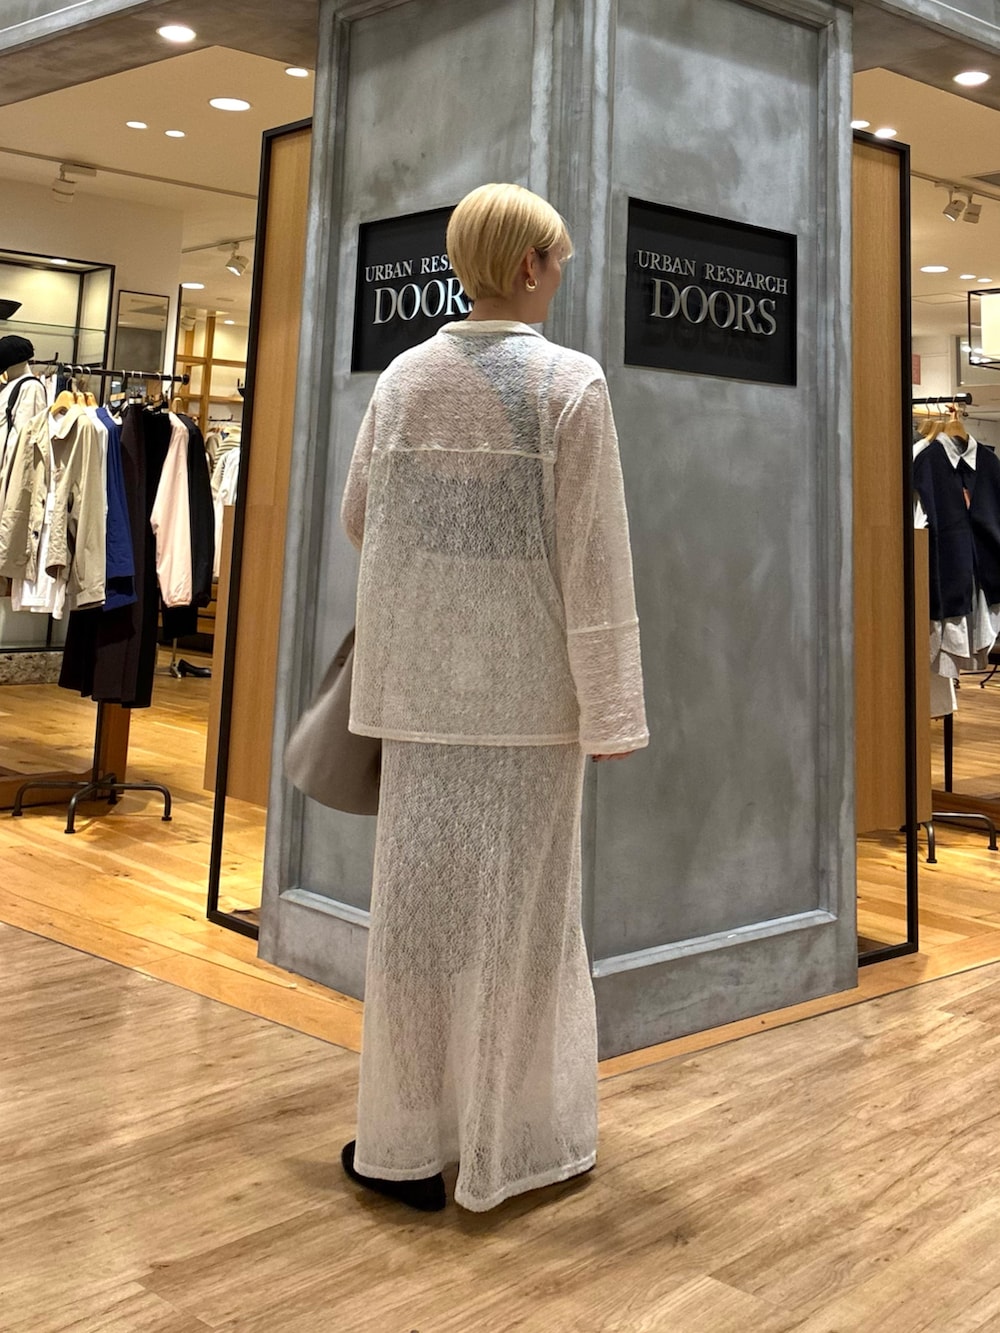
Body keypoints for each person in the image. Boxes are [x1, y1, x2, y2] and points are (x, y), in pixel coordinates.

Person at [339, 182, 649, 1213]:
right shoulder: (569, 384)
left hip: (421, 692)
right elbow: (594, 561)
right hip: (531, 703)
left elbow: (360, 518)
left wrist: (445, 573)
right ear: (526, 265)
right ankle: (510, 1139)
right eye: (556, 261)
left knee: (417, 923)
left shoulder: (401, 378)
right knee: (523, 923)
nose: (559, 277)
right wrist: (612, 710)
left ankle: (401, 1142)